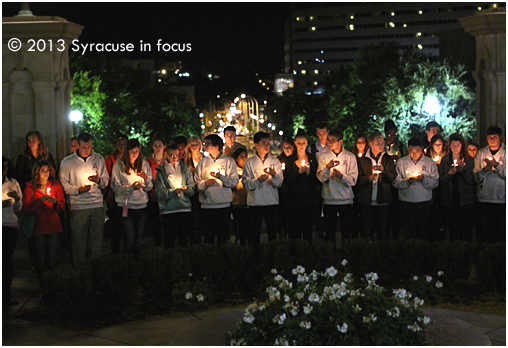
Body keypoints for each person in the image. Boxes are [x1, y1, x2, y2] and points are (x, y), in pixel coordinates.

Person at [59, 132, 109, 266]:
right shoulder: (67, 162)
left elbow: (106, 180)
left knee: (96, 244)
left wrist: (99, 180)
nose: (87, 150)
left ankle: (95, 270)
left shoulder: (98, 159)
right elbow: (64, 185)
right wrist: (78, 190)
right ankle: (80, 272)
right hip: (78, 207)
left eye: (89, 147)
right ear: (77, 145)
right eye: (83, 147)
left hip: (96, 205)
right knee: (78, 244)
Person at [22, 160, 65, 286]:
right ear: (37, 172)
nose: (46, 173)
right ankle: (43, 285)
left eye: (47, 171)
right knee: (40, 258)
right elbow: (26, 209)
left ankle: (51, 285)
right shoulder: (30, 188)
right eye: (43, 171)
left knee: (52, 258)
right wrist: (40, 201)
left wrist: (55, 202)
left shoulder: (55, 186)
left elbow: (62, 206)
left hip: (53, 227)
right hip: (38, 228)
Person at [194, 134, 239, 244]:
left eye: (207, 144)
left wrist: (221, 177)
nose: (204, 146)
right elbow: (196, 183)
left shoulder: (228, 161)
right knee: (209, 237)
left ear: (216, 146)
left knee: (223, 237)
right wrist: (206, 183)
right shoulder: (202, 162)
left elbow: (234, 182)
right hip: (207, 204)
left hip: (223, 205)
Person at [111, 138, 153, 255]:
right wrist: (130, 188)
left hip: (141, 206)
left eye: (137, 151)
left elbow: (149, 187)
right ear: (126, 151)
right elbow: (115, 187)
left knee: (138, 240)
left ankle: (137, 265)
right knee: (129, 238)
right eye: (131, 152)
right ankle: (127, 264)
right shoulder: (119, 166)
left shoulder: (144, 165)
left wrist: (145, 180)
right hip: (126, 206)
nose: (134, 154)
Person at [316, 129, 358, 245]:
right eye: (329, 141)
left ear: (340, 142)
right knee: (330, 231)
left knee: (346, 231)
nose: (330, 143)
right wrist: (327, 168)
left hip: (346, 200)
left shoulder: (350, 157)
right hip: (329, 200)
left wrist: (341, 176)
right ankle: (330, 256)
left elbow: (353, 180)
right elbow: (322, 178)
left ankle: (346, 256)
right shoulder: (323, 156)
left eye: (333, 141)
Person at [392, 137, 439, 241]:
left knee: (423, 231)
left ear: (422, 149)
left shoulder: (429, 163)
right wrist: (407, 181)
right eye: (411, 151)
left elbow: (435, 182)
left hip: (424, 202)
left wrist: (423, 179)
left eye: (417, 150)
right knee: (408, 232)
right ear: (408, 149)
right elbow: (395, 182)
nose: (414, 154)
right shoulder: (401, 162)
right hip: (406, 202)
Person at [242, 132, 283, 248]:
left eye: (268, 143)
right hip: (255, 203)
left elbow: (279, 183)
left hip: (272, 202)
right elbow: (246, 184)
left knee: (272, 235)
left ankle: (272, 260)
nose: (266, 146)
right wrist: (258, 180)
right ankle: (255, 259)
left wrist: (274, 175)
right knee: (254, 234)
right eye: (263, 143)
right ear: (256, 144)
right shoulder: (249, 163)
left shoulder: (275, 161)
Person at [355, 131, 396, 240]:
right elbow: (357, 179)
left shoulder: (387, 159)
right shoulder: (363, 160)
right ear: (371, 144)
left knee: (382, 232)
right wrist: (369, 178)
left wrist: (384, 171)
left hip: (383, 200)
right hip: (366, 201)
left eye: (382, 143)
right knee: (367, 232)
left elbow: (393, 178)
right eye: (378, 143)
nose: (381, 146)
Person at [155, 142, 195, 248]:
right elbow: (159, 192)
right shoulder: (161, 171)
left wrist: (185, 189)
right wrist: (173, 192)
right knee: (169, 241)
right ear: (166, 155)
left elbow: (192, 188)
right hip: (168, 209)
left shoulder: (184, 168)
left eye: (177, 155)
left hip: (184, 208)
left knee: (183, 240)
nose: (174, 158)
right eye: (171, 155)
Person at [438, 133, 476, 242]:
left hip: (465, 200)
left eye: (458, 145)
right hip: (449, 200)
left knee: (465, 231)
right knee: (452, 230)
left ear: (462, 146)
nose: (455, 148)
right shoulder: (445, 160)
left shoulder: (468, 160)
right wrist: (450, 174)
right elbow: (440, 181)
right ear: (449, 146)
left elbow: (471, 181)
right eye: (453, 145)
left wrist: (463, 169)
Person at [473, 125, 506, 244]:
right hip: (484, 198)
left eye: (495, 137)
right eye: (489, 137)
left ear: (500, 138)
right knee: (485, 232)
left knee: (500, 232)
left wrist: (497, 165)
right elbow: (476, 177)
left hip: (501, 198)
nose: (492, 140)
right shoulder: (481, 153)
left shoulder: (505, 153)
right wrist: (485, 169)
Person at [284, 130, 318, 241]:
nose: (301, 146)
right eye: (299, 143)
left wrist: (308, 174)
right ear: (295, 143)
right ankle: (296, 252)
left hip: (308, 198)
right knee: (295, 229)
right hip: (294, 199)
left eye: (303, 143)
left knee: (308, 228)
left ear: (307, 143)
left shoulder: (312, 158)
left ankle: (307, 252)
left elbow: (316, 180)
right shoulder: (290, 160)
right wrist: (298, 173)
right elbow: (287, 180)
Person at [2, 157, 22, 306]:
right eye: (2, 167)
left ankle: (6, 295)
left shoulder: (13, 183)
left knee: (7, 262)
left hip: (10, 225)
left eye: (6, 167)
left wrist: (17, 199)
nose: (4, 170)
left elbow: (18, 208)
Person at [104, 133, 128, 254]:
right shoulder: (109, 160)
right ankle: (115, 251)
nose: (121, 147)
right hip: (113, 196)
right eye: (119, 144)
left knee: (126, 224)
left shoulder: (131, 159)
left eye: (124, 144)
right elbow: (106, 176)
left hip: (128, 197)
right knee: (115, 224)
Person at [426, 134, 448, 241]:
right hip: (431, 188)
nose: (438, 147)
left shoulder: (447, 156)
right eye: (436, 144)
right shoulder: (427, 156)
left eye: (440, 144)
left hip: (443, 187)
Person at [146, 132, 166, 249]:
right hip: (152, 197)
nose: (157, 148)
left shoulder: (167, 162)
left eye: (160, 145)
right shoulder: (147, 163)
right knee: (155, 223)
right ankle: (158, 244)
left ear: (164, 146)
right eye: (155, 146)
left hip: (165, 197)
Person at [184, 135, 203, 244]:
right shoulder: (186, 161)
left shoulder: (205, 159)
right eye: (192, 144)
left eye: (196, 144)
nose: (194, 146)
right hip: (191, 192)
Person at [230, 147, 250, 245]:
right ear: (236, 159)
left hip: (248, 201)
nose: (244, 158)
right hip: (237, 202)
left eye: (245, 156)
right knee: (238, 225)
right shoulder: (233, 171)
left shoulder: (250, 169)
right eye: (241, 156)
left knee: (248, 225)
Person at [277, 137, 296, 239]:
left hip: (293, 193)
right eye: (285, 147)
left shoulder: (297, 160)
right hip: (282, 193)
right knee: (282, 218)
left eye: (289, 147)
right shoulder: (279, 159)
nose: (286, 150)